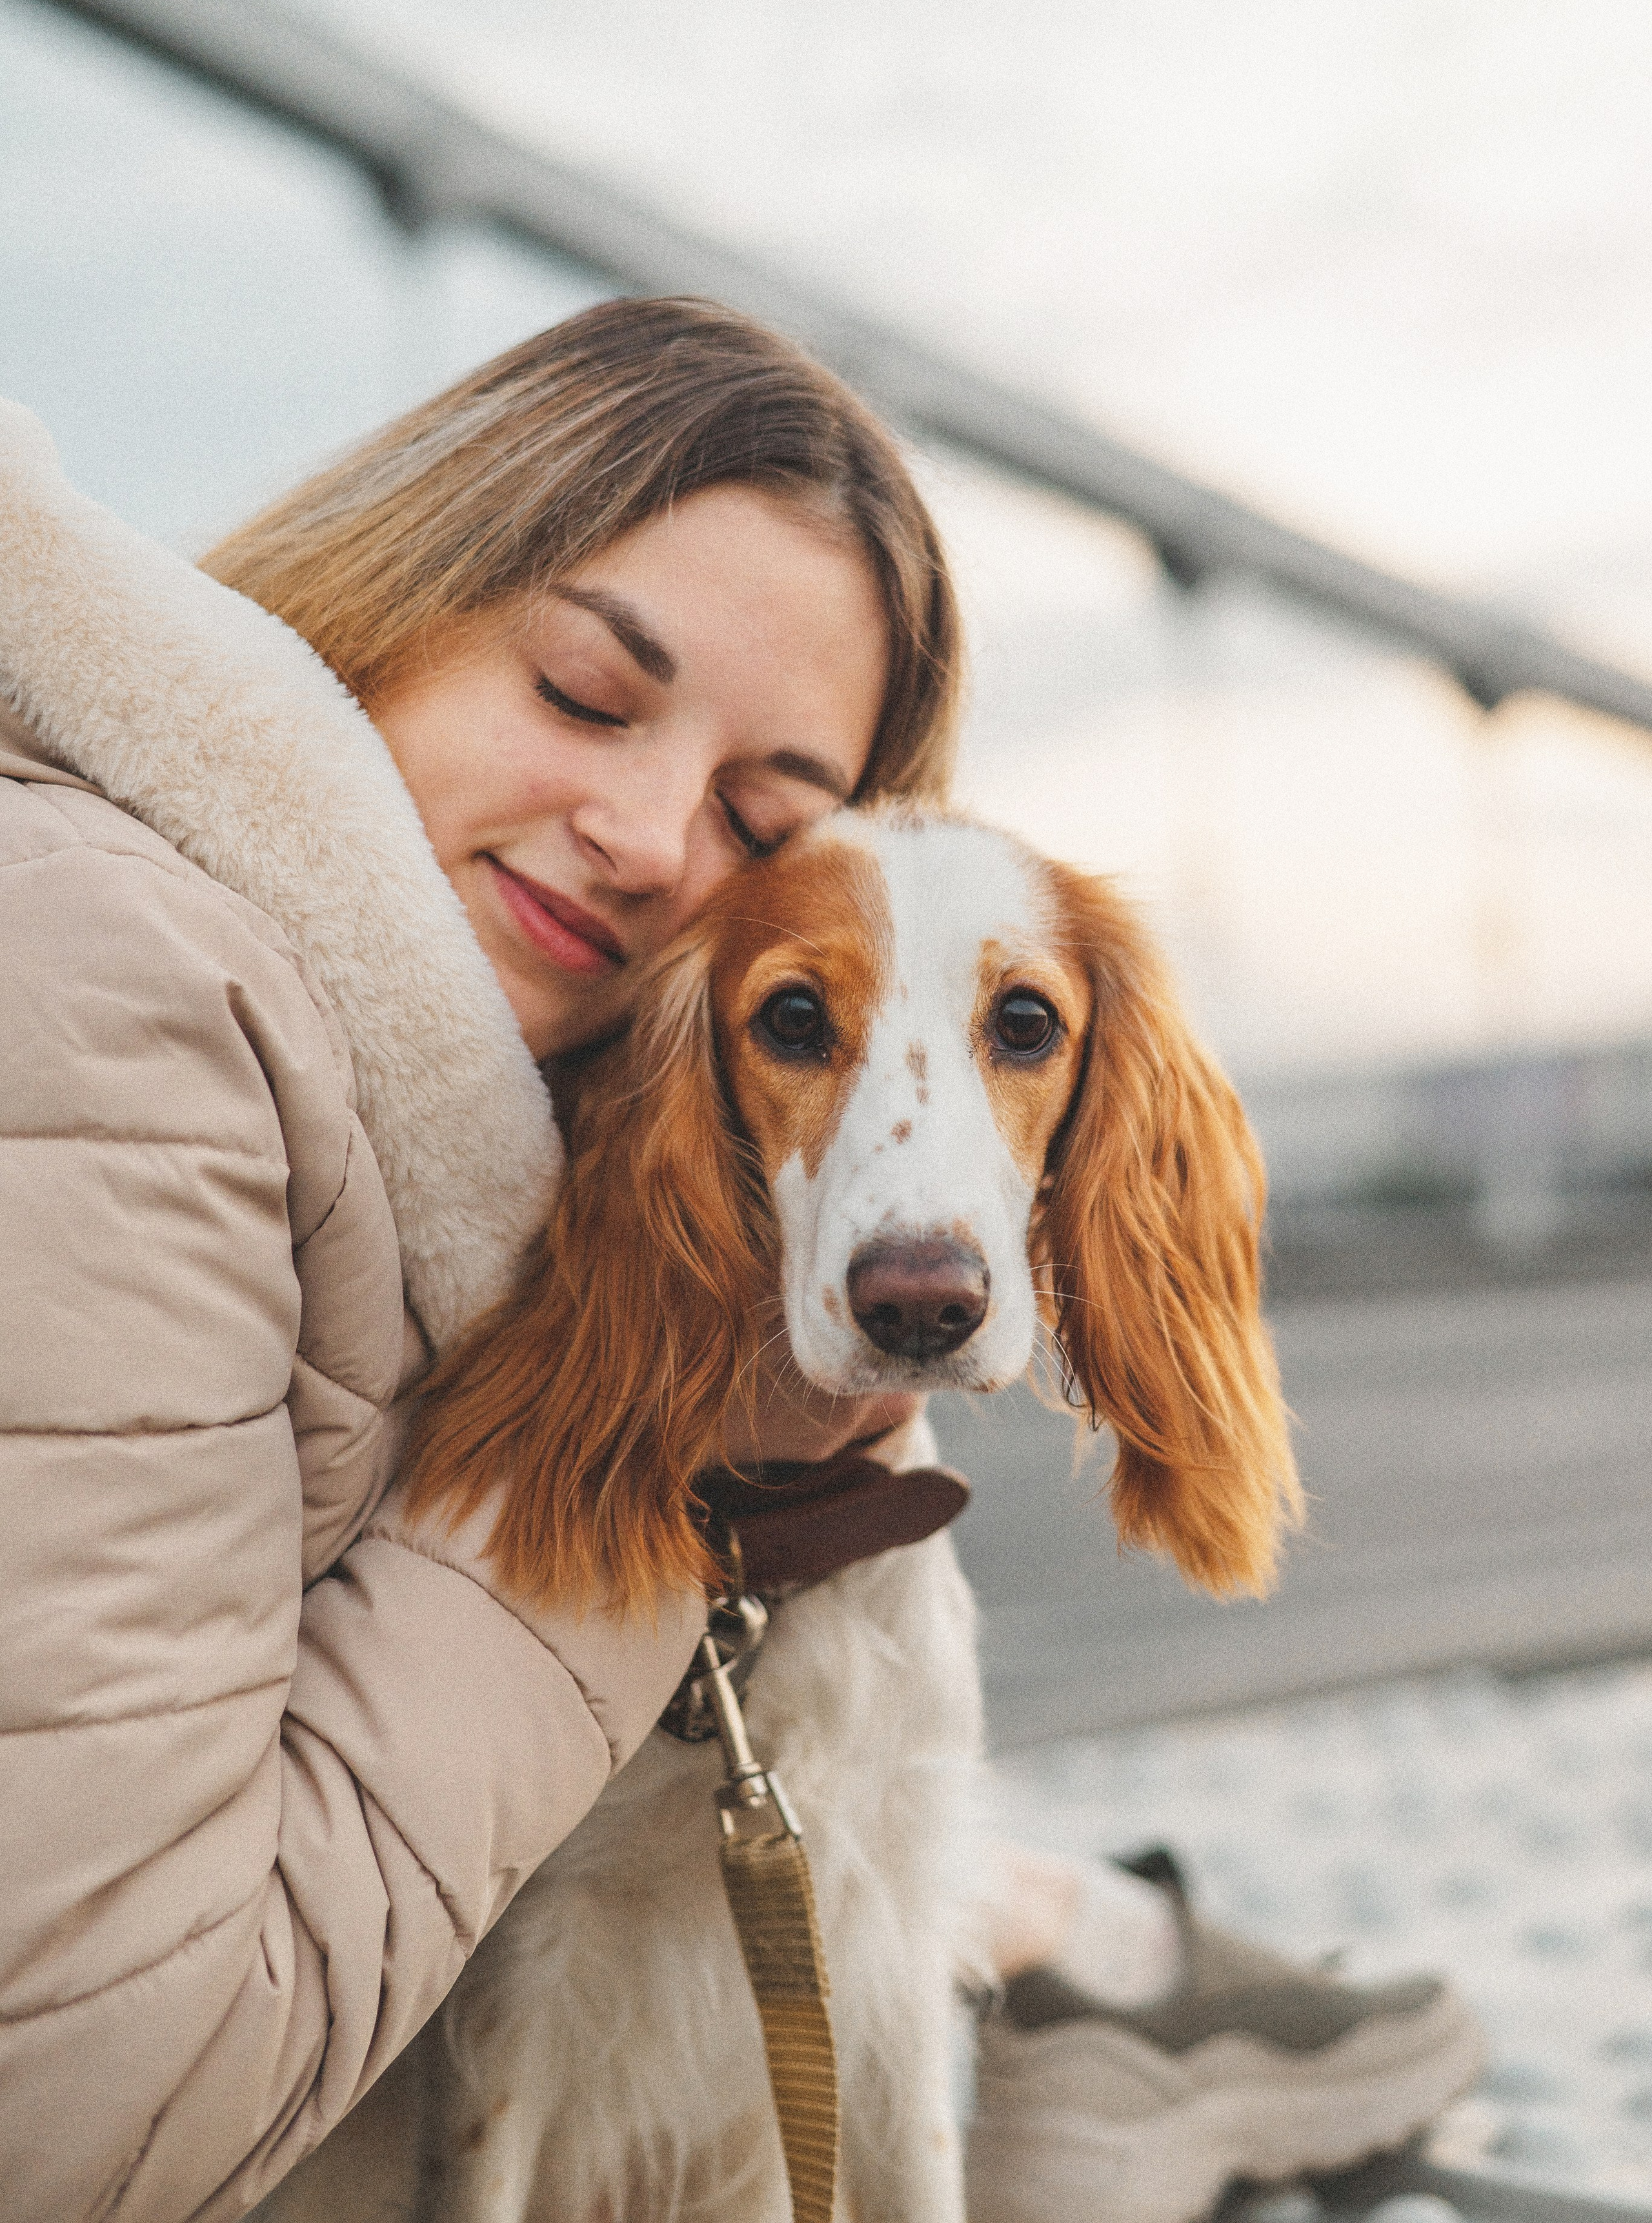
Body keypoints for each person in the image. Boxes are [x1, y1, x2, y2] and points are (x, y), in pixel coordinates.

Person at [0, 298, 1479, 2223]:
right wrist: (664, 1457)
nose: (637, 836)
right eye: (588, 696)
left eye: (764, 819)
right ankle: (1114, 2009)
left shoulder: (481, 1091)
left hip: (597, 2003)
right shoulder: (114, 982)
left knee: (912, 1829)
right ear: (396, 587)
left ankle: (1113, 1984)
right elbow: (80, 2103)